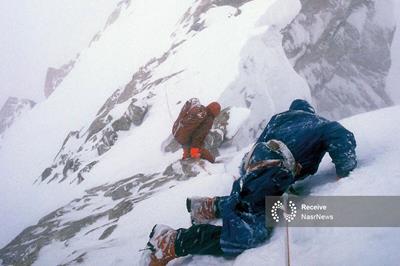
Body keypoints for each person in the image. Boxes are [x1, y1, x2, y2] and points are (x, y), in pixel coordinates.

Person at [141, 99, 357, 265]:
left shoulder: (281, 118)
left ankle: (207, 207)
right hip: (272, 169)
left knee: (249, 201)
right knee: (248, 233)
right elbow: (342, 138)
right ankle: (170, 242)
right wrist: (344, 171)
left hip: (256, 163)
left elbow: (261, 143)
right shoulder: (320, 125)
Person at [172, 98, 221, 163]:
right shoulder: (208, 119)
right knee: (210, 159)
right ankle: (211, 166)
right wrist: (194, 151)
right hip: (190, 141)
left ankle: (186, 158)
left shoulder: (200, 111)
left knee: (187, 154)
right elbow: (199, 136)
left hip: (179, 135)